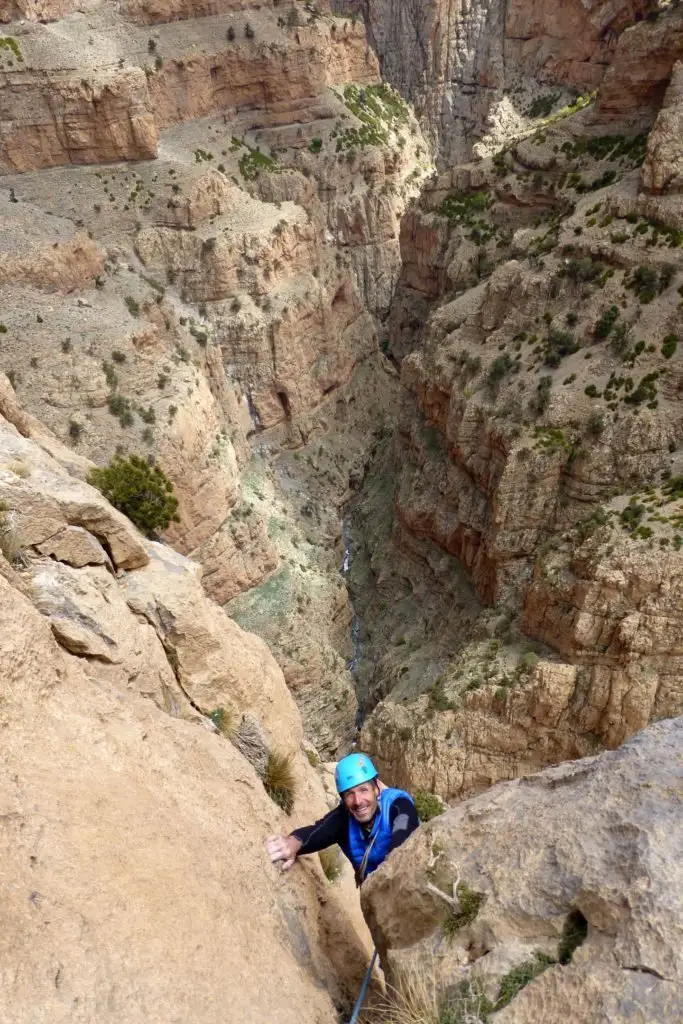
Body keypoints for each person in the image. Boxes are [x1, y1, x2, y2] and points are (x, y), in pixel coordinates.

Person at [266, 752, 419, 885]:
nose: (358, 801)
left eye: (363, 790)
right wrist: (292, 843)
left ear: (377, 788)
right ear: (343, 800)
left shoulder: (399, 805)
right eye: (349, 794)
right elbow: (316, 833)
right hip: (375, 902)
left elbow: (404, 833)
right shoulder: (345, 818)